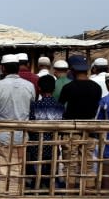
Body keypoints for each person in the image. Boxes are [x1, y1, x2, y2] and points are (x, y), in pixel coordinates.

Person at [0, 54, 35, 194]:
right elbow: (31, 106)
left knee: (0, 168)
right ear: (18, 68)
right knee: (17, 168)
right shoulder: (29, 86)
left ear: (3, 68)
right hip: (20, 134)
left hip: (1, 133)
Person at [57, 54, 103, 188]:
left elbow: (60, 106)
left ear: (72, 70)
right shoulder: (96, 88)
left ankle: (69, 197)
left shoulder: (69, 87)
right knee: (88, 163)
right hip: (90, 128)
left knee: (70, 163)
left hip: (71, 128)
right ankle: (87, 197)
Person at [29, 74, 64, 190]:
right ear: (54, 89)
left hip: (36, 146)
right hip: (53, 146)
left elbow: (30, 125)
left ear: (39, 88)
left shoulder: (34, 106)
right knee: (51, 175)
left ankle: (35, 195)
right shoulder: (60, 106)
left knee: (36, 174)